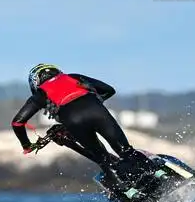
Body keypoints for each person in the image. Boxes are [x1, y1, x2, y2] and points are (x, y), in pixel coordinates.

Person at [10, 63, 160, 185]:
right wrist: (93, 102)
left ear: (35, 82)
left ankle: (129, 193)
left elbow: (17, 123)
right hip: (96, 111)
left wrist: (27, 145)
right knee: (126, 151)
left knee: (104, 160)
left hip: (73, 121)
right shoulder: (73, 77)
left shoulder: (40, 94)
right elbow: (109, 90)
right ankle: (158, 174)